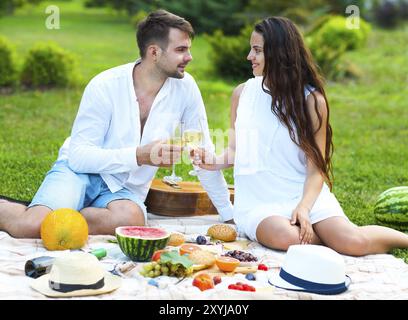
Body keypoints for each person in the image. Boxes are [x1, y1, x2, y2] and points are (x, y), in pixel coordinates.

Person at [0, 10, 233, 238]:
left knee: (132, 219)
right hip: (80, 172)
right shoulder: (105, 85)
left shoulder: (186, 88)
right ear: (154, 52)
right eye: (181, 50)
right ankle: (37, 212)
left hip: (123, 190)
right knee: (33, 227)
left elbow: (203, 155)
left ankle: (60, 211)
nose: (189, 57)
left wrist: (228, 214)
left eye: (189, 49)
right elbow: (79, 157)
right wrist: (140, 156)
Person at [195, 16, 408, 256]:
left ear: (279, 54)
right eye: (250, 49)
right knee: (284, 236)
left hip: (304, 192)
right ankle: (329, 239)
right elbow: (236, 150)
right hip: (259, 202)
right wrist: (212, 161)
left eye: (257, 50)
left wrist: (304, 208)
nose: (249, 57)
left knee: (353, 242)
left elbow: (315, 168)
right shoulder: (242, 94)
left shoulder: (311, 101)